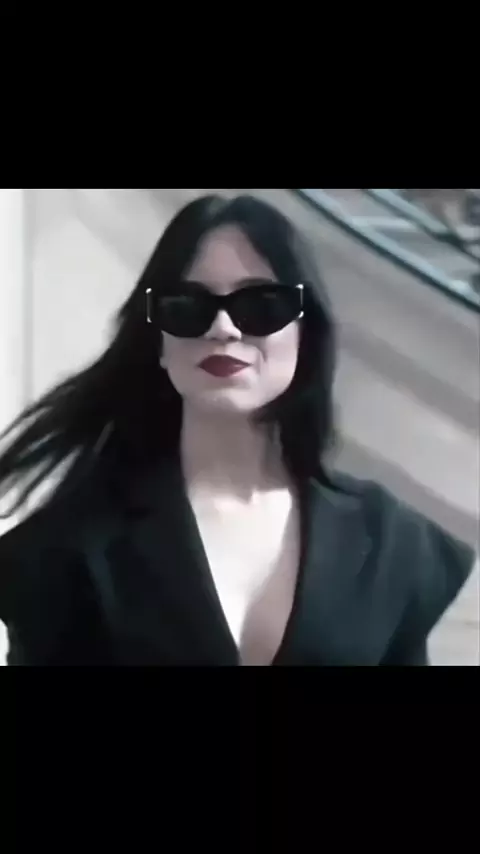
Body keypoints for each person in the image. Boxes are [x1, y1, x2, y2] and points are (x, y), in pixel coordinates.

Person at [0, 193, 475, 666]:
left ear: (305, 334)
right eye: (188, 305)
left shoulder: (388, 545)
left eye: (261, 304)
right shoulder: (70, 548)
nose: (224, 329)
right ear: (159, 342)